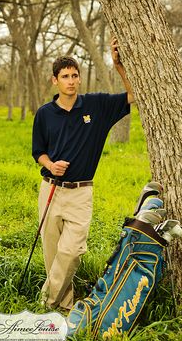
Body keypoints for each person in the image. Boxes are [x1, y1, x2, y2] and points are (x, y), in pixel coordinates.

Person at [32, 37, 134, 312]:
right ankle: (63, 308)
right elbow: (37, 152)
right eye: (65, 76)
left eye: (75, 75)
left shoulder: (97, 106)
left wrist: (119, 66)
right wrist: (50, 165)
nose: (71, 80)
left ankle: (47, 300)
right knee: (52, 254)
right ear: (55, 81)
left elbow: (133, 95)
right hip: (50, 190)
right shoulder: (44, 114)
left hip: (80, 193)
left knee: (72, 251)